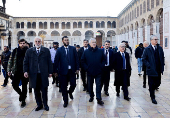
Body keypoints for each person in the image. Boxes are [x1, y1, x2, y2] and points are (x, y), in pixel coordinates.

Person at [24, 36, 53, 111]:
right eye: (36, 41)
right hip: (33, 74)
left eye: (39, 41)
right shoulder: (29, 51)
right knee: (36, 91)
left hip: (43, 74)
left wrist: (50, 72)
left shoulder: (46, 50)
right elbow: (26, 62)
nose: (37, 43)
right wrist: (25, 71)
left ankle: (45, 105)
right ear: (34, 42)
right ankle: (39, 104)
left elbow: (49, 62)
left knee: (44, 90)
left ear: (41, 42)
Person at [54, 36, 79, 108]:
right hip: (63, 71)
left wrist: (77, 68)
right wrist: (55, 71)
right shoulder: (59, 50)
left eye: (67, 40)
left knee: (73, 84)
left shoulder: (73, 49)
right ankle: (65, 101)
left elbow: (76, 59)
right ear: (62, 41)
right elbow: (56, 60)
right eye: (65, 40)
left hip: (72, 71)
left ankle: (70, 92)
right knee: (63, 87)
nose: (67, 41)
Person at [81, 38, 106, 105]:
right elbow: (82, 61)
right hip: (90, 72)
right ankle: (91, 96)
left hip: (98, 72)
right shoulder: (86, 52)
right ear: (89, 43)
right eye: (92, 42)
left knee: (98, 85)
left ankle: (98, 98)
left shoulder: (100, 51)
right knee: (90, 85)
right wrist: (86, 68)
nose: (94, 43)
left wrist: (101, 66)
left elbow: (104, 60)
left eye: (95, 42)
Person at [142, 35, 164, 104]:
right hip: (151, 70)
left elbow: (162, 57)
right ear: (151, 40)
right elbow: (143, 59)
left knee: (158, 83)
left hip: (158, 69)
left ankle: (152, 89)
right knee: (151, 84)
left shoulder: (160, 48)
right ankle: (152, 97)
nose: (156, 41)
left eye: (157, 39)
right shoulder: (147, 49)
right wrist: (149, 65)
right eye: (155, 39)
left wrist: (162, 65)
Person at [7, 39, 28, 107]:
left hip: (25, 71)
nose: (22, 44)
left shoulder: (28, 51)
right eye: (21, 43)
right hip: (17, 71)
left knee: (24, 86)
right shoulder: (15, 51)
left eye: (23, 43)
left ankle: (23, 101)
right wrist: (9, 70)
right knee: (14, 84)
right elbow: (10, 60)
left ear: (25, 44)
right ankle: (21, 95)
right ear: (19, 43)